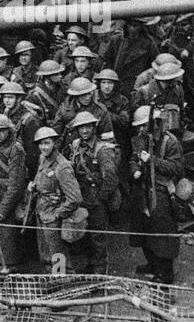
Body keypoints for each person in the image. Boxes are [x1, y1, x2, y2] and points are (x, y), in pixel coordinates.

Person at [128, 105, 182, 284]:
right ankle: (152, 264)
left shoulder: (170, 141)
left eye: (146, 125)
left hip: (161, 191)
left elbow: (176, 168)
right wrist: (135, 168)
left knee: (162, 235)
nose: (142, 130)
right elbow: (133, 158)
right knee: (142, 231)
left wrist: (152, 161)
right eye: (140, 126)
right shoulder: (139, 139)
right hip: (142, 189)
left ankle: (166, 273)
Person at [66, 110, 120, 274]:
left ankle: (99, 274)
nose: (84, 131)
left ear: (94, 127)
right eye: (81, 128)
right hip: (81, 197)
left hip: (97, 200)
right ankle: (89, 266)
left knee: (98, 238)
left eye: (88, 127)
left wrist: (101, 199)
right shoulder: (76, 145)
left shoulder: (102, 150)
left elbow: (110, 178)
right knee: (85, 235)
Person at [29, 126, 82, 271]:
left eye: (47, 143)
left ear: (55, 144)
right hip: (42, 212)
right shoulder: (43, 159)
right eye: (40, 144)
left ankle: (63, 284)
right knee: (46, 253)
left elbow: (75, 198)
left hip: (53, 216)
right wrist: (34, 186)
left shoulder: (62, 166)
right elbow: (42, 179)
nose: (43, 147)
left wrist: (57, 214)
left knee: (58, 254)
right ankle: (51, 279)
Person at [0, 114, 27, 272]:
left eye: (2, 131)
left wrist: (3, 209)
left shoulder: (16, 149)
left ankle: (11, 274)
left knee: (9, 243)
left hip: (9, 200)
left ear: (9, 130)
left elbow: (16, 185)